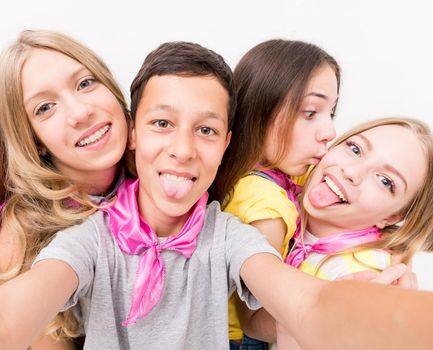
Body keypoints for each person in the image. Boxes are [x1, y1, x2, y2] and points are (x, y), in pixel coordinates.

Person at [1, 41, 433, 350]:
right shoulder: (87, 238)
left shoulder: (228, 234)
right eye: (162, 124)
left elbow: (310, 302)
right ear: (133, 132)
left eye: (205, 130)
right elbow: (28, 304)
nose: (183, 150)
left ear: (227, 143)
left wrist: (378, 307)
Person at [0, 30, 133, 349]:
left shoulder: (166, 172)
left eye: (85, 83)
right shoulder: (21, 240)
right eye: (45, 108)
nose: (80, 113)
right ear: (33, 140)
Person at [208, 39, 340, 349]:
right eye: (310, 112)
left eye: (331, 113)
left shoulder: (262, 172)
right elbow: (255, 317)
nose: (330, 132)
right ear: (260, 109)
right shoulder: (265, 206)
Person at [274, 117, 433, 348]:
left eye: (385, 181)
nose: (351, 171)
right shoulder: (283, 192)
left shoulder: (361, 277)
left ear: (390, 218)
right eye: (355, 148)